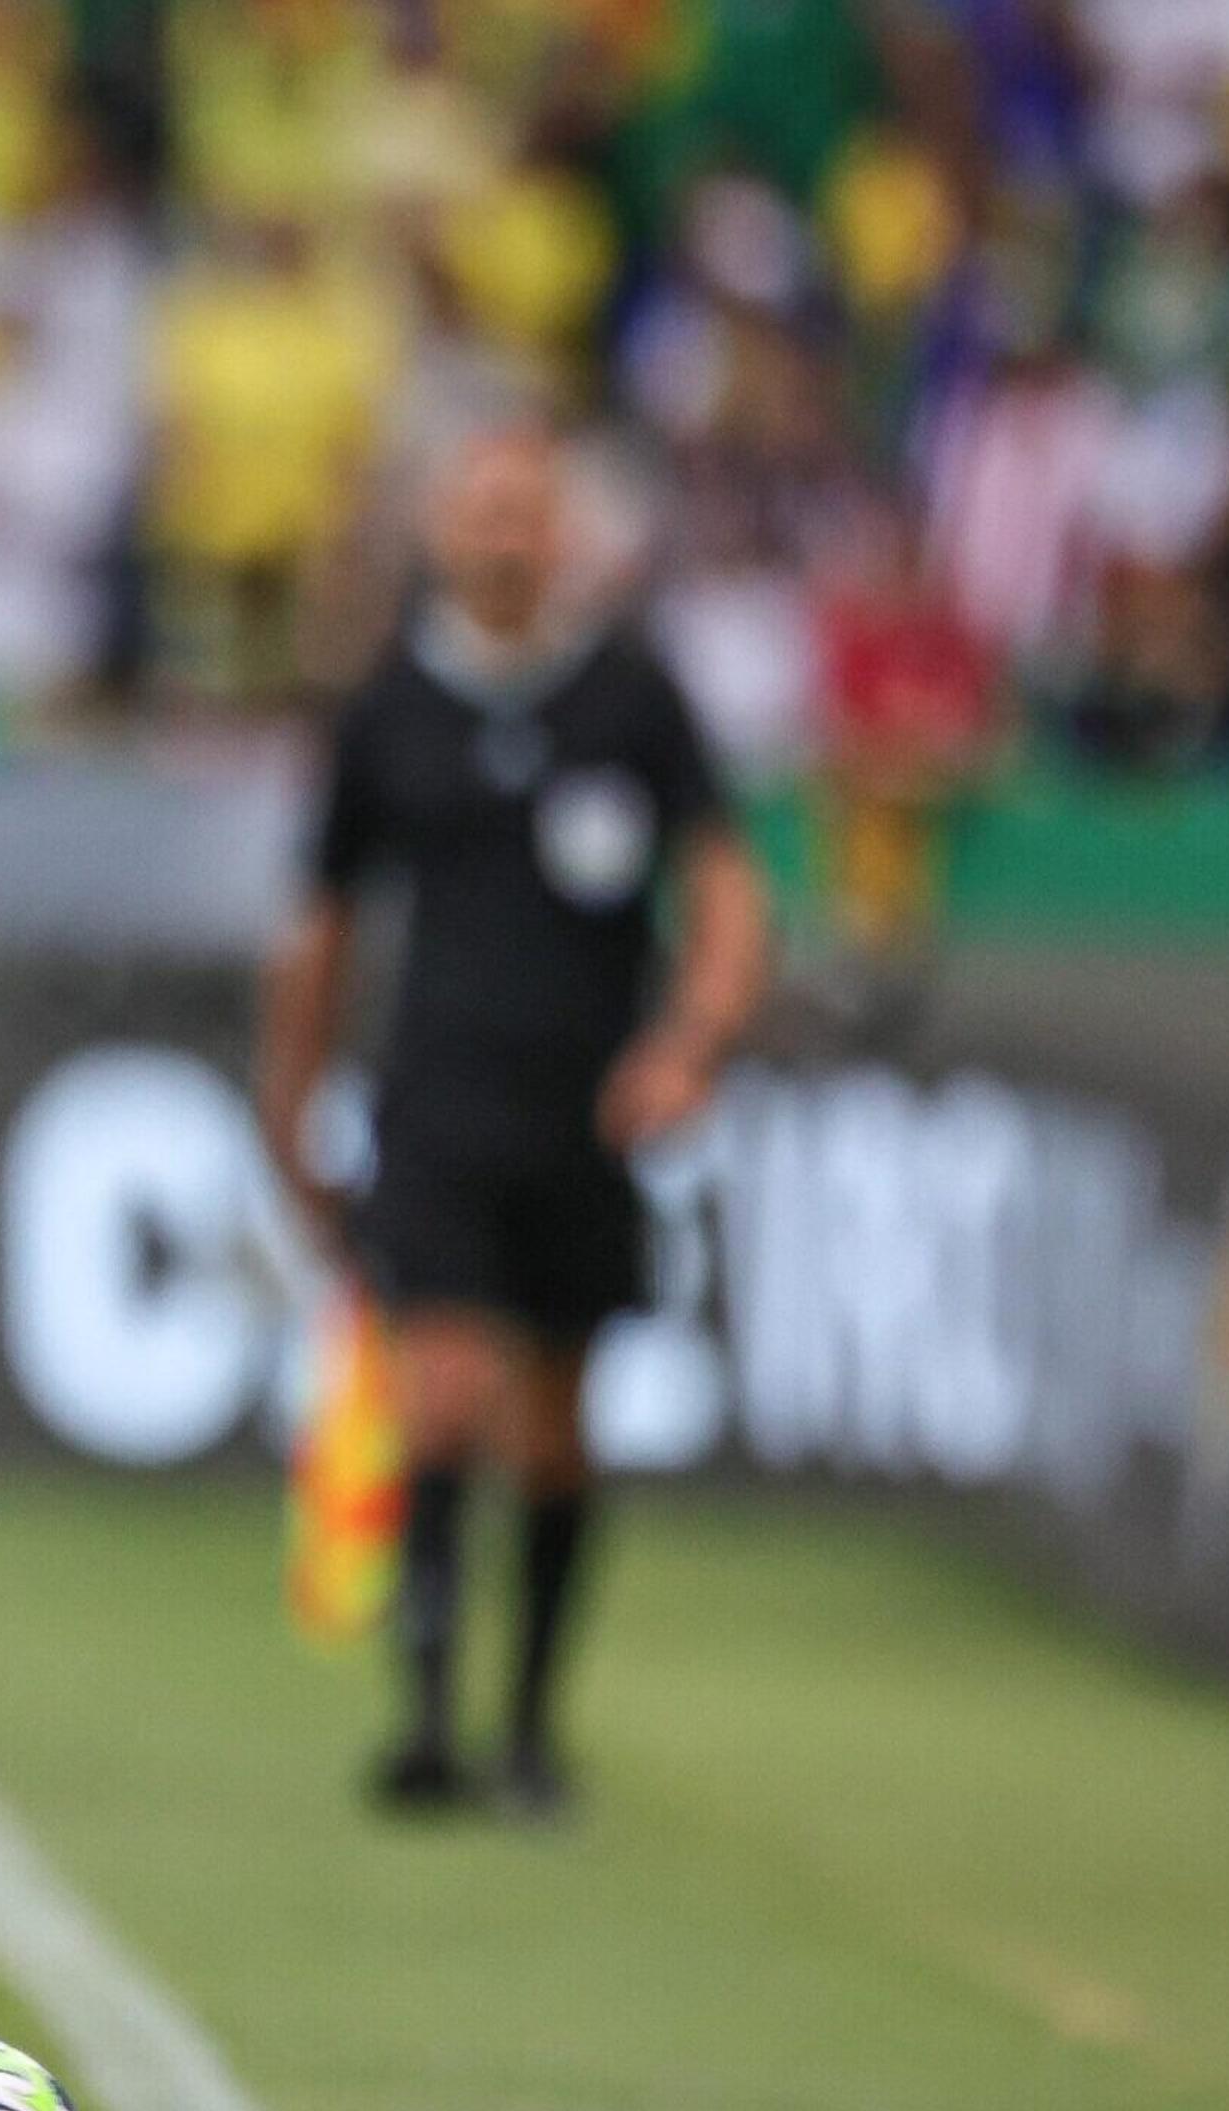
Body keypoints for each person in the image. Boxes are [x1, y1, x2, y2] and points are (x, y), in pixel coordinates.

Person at [255, 424, 770, 1820]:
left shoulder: (632, 697)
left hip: (587, 1119)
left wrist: (695, 1040)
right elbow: (321, 922)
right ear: (441, 535)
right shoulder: (390, 709)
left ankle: (531, 1726)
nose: (501, 543)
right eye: (479, 517)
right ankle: (428, 1721)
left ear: (563, 538)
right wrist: (287, 1096)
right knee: (446, 1395)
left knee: (556, 1431)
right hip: (439, 1107)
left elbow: (726, 886)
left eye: (524, 519)